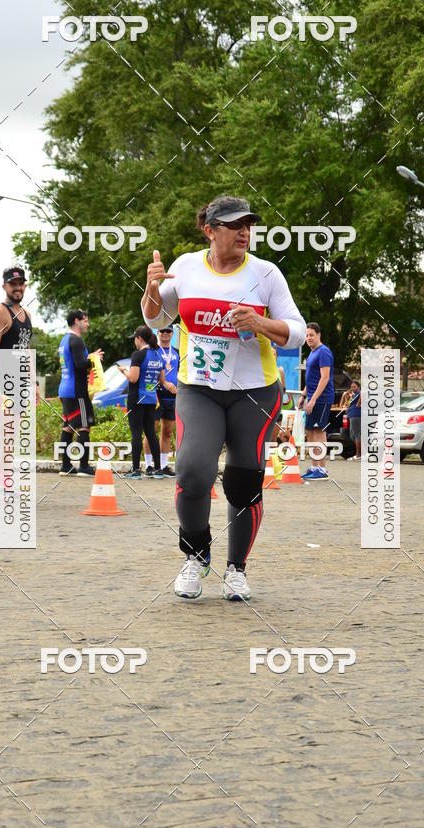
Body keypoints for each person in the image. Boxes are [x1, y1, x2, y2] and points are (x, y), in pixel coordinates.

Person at [141, 195, 306, 601]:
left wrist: (261, 322)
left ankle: (237, 569)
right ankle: (196, 557)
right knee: (193, 472)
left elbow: (297, 330)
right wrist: (151, 290)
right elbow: (158, 319)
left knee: (243, 481)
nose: (244, 232)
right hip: (199, 389)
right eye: (234, 225)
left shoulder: (267, 274)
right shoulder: (186, 267)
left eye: (248, 224)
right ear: (209, 230)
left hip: (254, 392)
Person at [0, 265, 33, 504]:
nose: (17, 287)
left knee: (11, 434)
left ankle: (5, 484)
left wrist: (31, 383)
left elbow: (26, 350)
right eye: (13, 284)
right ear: (4, 286)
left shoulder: (26, 315)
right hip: (4, 379)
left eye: (21, 283)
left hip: (19, 378)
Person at [57, 309, 103, 476]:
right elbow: (80, 364)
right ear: (76, 321)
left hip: (65, 389)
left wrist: (90, 356)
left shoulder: (64, 340)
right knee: (85, 426)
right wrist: (94, 360)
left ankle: (65, 466)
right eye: (85, 320)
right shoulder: (76, 341)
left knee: (68, 426)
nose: (87, 324)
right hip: (77, 391)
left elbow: (73, 361)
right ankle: (84, 466)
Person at [119, 325, 166, 479]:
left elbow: (133, 378)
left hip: (136, 398)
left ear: (139, 338)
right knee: (151, 434)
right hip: (151, 399)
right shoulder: (158, 355)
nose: (134, 341)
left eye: (135, 338)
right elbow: (162, 380)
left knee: (136, 433)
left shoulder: (138, 355)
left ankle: (136, 470)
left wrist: (123, 370)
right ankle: (158, 469)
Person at [297, 322, 334, 480]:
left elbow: (324, 378)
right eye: (307, 335)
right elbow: (311, 379)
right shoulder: (312, 353)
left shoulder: (324, 352)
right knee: (310, 432)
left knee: (319, 432)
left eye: (312, 335)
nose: (309, 338)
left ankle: (322, 469)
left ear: (319, 335)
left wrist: (313, 399)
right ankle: (314, 467)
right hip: (312, 398)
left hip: (322, 399)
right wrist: (303, 396)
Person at [143, 325, 179, 476]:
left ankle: (163, 466)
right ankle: (149, 465)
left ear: (172, 333)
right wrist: (162, 384)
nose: (165, 334)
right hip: (156, 395)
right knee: (151, 431)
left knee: (167, 433)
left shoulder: (177, 352)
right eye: (162, 331)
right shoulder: (153, 351)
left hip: (172, 396)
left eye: (168, 331)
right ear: (157, 333)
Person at [346, 380, 361, 460]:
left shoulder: (359, 393)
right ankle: (363, 453)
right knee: (352, 435)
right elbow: (347, 404)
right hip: (351, 414)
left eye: (354, 386)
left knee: (356, 434)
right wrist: (347, 397)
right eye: (351, 387)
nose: (353, 388)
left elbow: (362, 393)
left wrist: (358, 402)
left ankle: (358, 454)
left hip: (356, 415)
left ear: (358, 387)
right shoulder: (353, 395)